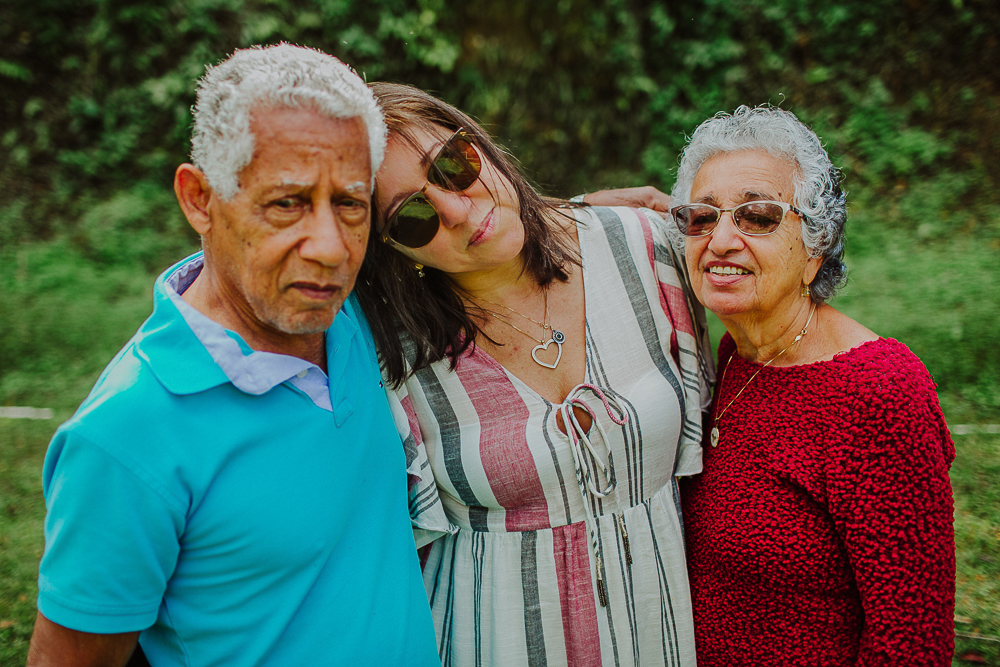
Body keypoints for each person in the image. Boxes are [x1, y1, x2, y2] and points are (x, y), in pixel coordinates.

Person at [27, 45, 439, 667]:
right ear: (200, 199)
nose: (329, 248)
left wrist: (594, 222)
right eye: (287, 203)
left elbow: (485, 237)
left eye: (349, 204)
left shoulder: (349, 315)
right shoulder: (123, 439)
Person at [352, 82, 713, 667]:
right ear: (394, 250)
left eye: (452, 164)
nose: (456, 207)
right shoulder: (389, 357)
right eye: (412, 216)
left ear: (482, 146)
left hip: (660, 635)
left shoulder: (643, 247)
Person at [672, 106, 955, 665]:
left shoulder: (879, 392)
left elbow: (911, 641)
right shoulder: (733, 354)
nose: (721, 238)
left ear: (816, 246)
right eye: (702, 217)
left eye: (757, 216)